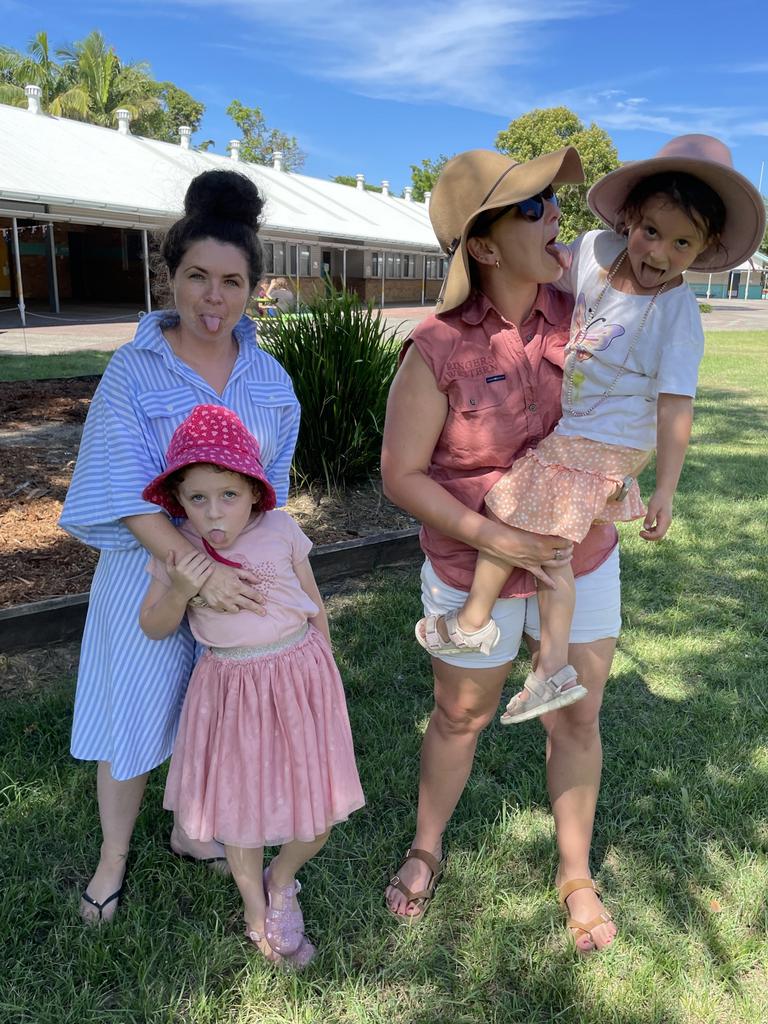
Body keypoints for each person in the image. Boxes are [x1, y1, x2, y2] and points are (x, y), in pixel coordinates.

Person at [415, 135, 765, 730]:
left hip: (609, 447)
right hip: (573, 435)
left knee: (521, 512)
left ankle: (486, 628)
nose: (660, 252)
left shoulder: (678, 317)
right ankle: (544, 664)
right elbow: (532, 262)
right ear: (629, 218)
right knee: (542, 534)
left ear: (705, 250)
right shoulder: (595, 254)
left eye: (683, 243)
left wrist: (664, 489)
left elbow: (676, 410)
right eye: (652, 231)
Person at [382, 145, 624, 953]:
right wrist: (497, 535)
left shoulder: (588, 315)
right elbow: (402, 476)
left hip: (577, 556)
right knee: (462, 713)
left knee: (578, 716)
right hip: (468, 562)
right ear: (482, 245)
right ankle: (427, 846)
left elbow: (625, 413)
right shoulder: (437, 348)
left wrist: (622, 477)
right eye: (533, 206)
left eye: (553, 200)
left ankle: (575, 871)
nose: (558, 213)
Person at [59, 169, 301, 924]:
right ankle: (111, 862)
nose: (212, 298)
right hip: (149, 577)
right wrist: (193, 571)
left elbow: (271, 501)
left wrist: (252, 584)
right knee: (132, 721)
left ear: (254, 289)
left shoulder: (271, 384)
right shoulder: (136, 369)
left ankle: (195, 832)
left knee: (219, 717)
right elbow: (122, 487)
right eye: (196, 276)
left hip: (238, 589)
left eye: (231, 281)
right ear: (170, 276)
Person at [139, 405, 364, 967]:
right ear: (179, 500)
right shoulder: (180, 553)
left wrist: (327, 668)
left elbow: (313, 603)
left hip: (298, 677)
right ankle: (255, 906)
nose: (214, 513)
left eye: (229, 496)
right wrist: (180, 588)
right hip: (231, 689)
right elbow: (153, 625)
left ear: (254, 493)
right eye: (198, 498)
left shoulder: (282, 529)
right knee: (242, 808)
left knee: (316, 815)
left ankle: (281, 877)